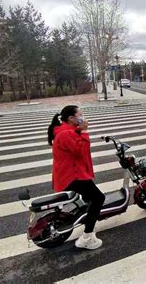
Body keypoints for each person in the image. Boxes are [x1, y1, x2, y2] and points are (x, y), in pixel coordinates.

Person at [47, 105, 105, 250]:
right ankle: (87, 237)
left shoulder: (64, 130)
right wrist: (84, 131)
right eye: (80, 114)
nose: (83, 117)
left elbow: (73, 138)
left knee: (90, 198)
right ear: (71, 118)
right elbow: (81, 150)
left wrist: (79, 130)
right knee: (98, 198)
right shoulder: (65, 134)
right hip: (72, 176)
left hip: (70, 173)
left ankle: (88, 219)